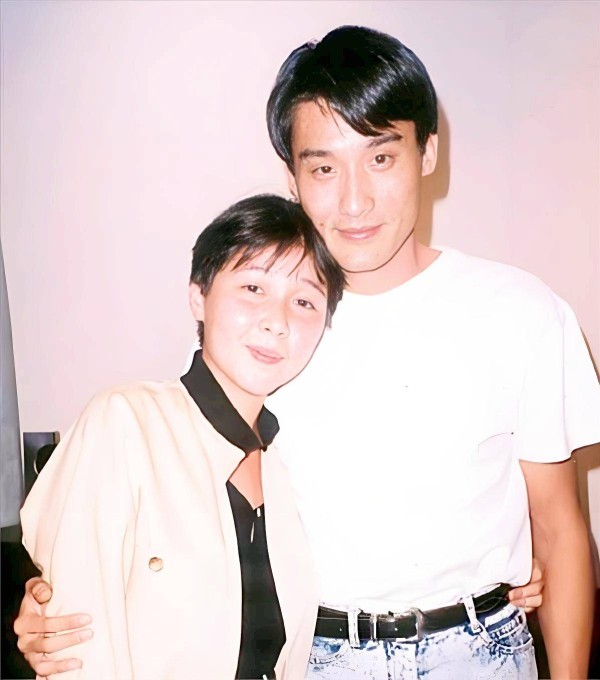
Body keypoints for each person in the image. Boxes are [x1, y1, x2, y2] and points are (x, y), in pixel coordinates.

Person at [16, 25, 599, 679]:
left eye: (381, 158)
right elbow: (179, 516)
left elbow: (560, 532)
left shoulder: (521, 312)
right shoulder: (268, 336)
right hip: (315, 654)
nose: (354, 200)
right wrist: (61, 603)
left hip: (479, 649)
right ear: (292, 176)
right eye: (324, 168)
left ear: (428, 152)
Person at [19, 194, 345, 679]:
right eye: (253, 287)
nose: (278, 322)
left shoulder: (291, 463)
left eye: (303, 301)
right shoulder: (126, 422)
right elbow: (76, 652)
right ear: (199, 295)